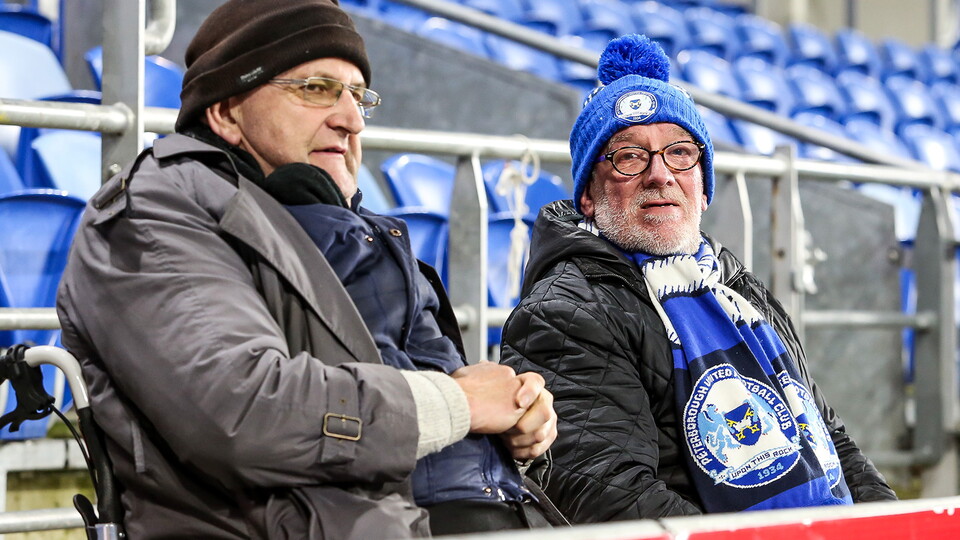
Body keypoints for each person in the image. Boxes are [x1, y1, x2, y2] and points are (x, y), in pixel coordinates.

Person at [56, 0, 557, 537]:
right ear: (226, 111)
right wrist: (459, 402)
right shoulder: (156, 214)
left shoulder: (363, 233)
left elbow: (437, 402)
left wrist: (513, 426)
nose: (351, 119)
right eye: (315, 88)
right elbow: (245, 412)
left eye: (359, 96)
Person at [499, 34, 898, 523]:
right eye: (628, 157)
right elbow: (608, 495)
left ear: (703, 187)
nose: (659, 175)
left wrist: (888, 524)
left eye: (680, 153)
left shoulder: (739, 292)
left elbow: (828, 438)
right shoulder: (566, 310)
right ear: (588, 195)